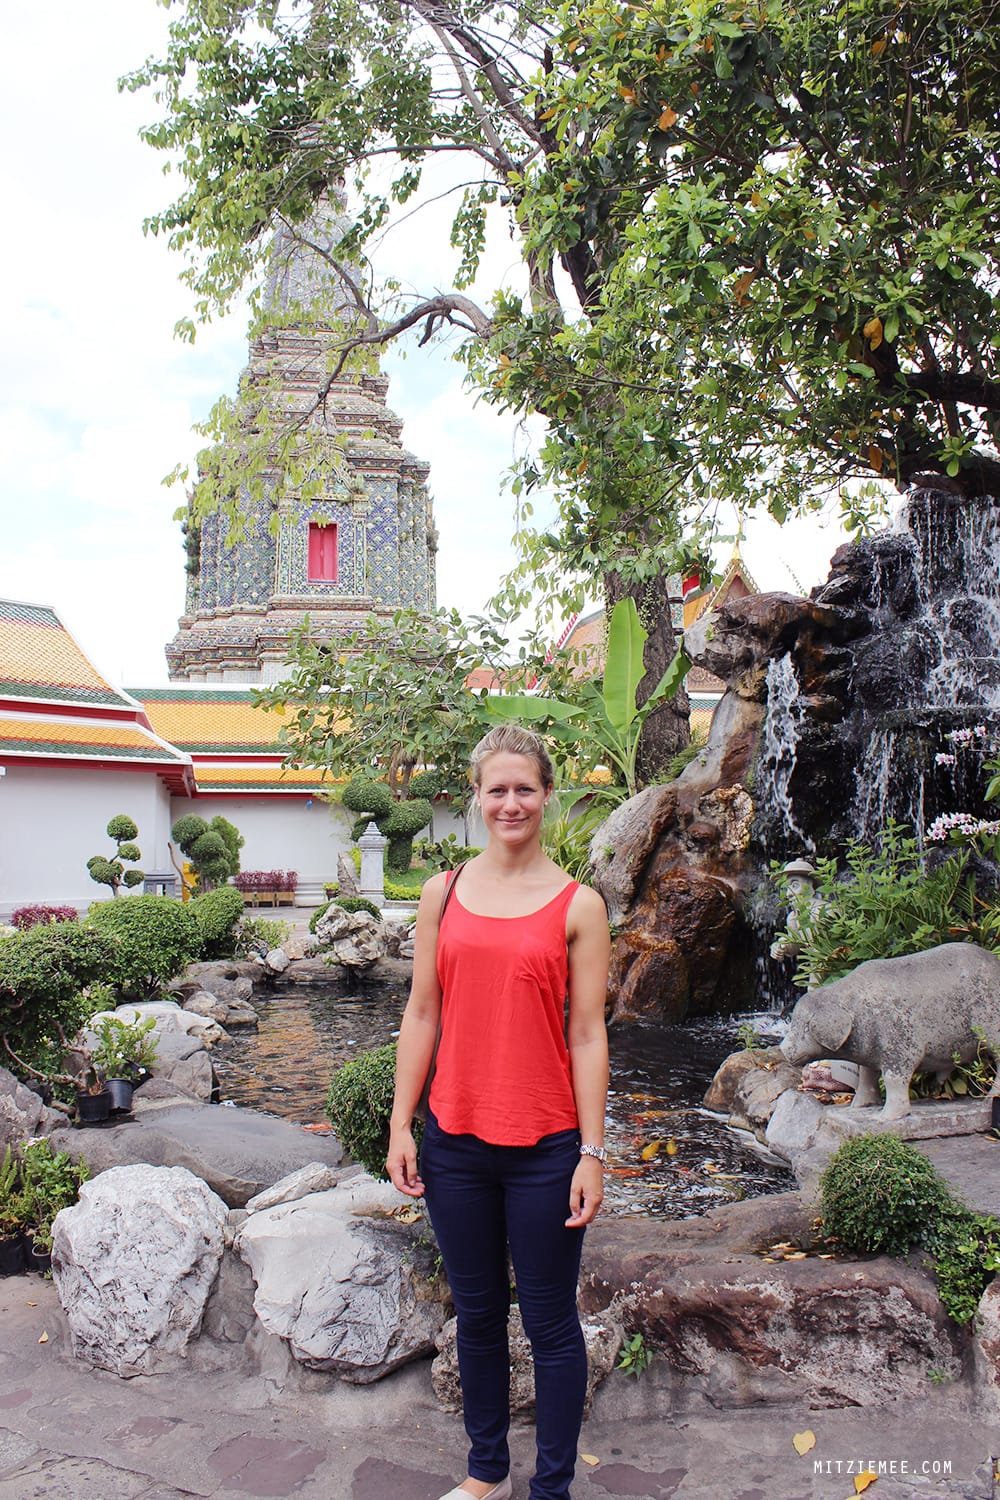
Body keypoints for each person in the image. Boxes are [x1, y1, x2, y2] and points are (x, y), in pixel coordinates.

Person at [386, 724, 611, 1500]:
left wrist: (592, 1152)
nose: (510, 803)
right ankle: (487, 1473)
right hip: (454, 1145)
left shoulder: (580, 906)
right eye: (497, 789)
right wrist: (402, 1125)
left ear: (547, 795)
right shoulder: (442, 893)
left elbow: (587, 1034)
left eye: (525, 789)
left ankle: (552, 1489)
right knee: (477, 1319)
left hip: (546, 1148)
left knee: (550, 1326)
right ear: (477, 797)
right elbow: (422, 1012)